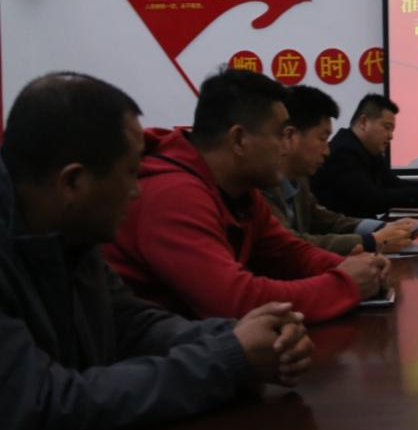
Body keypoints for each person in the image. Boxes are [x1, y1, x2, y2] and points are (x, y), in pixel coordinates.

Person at [0, 73, 313, 430]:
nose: (137, 191)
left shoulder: (72, 231)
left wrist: (241, 337)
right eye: (131, 173)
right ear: (73, 182)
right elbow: (42, 406)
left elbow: (132, 324)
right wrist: (228, 360)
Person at [106, 69, 387, 323]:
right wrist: (345, 283)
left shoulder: (241, 191)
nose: (286, 146)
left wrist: (354, 267)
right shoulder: (174, 195)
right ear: (239, 140)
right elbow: (236, 301)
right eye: (281, 135)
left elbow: (287, 252)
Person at [263, 85, 417, 255]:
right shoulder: (260, 185)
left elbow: (328, 221)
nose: (327, 151)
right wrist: (372, 241)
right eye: (322, 139)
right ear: (289, 136)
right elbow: (291, 245)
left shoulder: (299, 178)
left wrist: (383, 227)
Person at [311, 93, 418, 217]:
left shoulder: (369, 150)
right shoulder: (343, 152)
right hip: (346, 234)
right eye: (387, 127)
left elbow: (393, 183)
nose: (391, 136)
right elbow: (372, 200)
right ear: (364, 122)